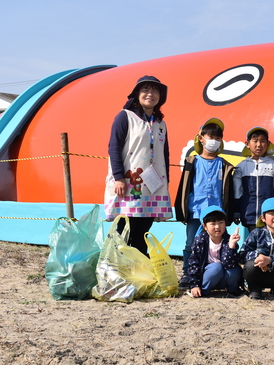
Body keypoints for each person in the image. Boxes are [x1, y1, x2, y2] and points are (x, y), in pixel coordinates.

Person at [104, 75, 172, 255]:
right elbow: (114, 147)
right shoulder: (125, 116)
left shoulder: (160, 123)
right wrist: (118, 177)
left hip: (153, 185)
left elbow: (164, 153)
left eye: (155, 91)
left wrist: (167, 181)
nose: (150, 94)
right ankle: (116, 270)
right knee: (124, 230)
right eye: (146, 90)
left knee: (143, 231)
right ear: (137, 94)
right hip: (128, 184)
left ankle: (140, 272)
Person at [174, 118, 235, 280]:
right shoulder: (192, 161)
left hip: (217, 212)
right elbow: (184, 187)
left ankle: (216, 273)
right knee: (190, 243)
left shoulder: (224, 165)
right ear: (201, 138)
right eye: (210, 137)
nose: (213, 141)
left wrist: (230, 213)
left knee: (218, 243)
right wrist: (181, 210)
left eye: (217, 138)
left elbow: (229, 191)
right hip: (195, 211)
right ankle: (187, 274)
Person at [185, 205, 242, 298]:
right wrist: (194, 285)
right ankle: (203, 290)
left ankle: (233, 290)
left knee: (234, 270)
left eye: (221, 223)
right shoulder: (200, 240)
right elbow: (193, 263)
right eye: (212, 223)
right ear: (205, 226)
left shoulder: (229, 239)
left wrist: (231, 246)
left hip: (224, 278)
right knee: (216, 267)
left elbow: (229, 264)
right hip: (208, 276)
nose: (217, 227)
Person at [233, 127, 274, 232]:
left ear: (268, 144)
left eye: (263, 141)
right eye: (255, 141)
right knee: (253, 243)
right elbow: (237, 191)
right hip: (248, 215)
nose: (259, 145)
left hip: (268, 215)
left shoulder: (273, 165)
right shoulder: (241, 166)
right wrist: (236, 211)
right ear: (247, 144)